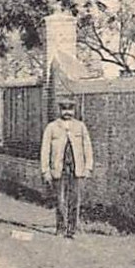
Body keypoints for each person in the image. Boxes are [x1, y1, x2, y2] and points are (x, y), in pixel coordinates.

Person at [39, 97, 93, 237]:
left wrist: (88, 167)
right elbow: (45, 149)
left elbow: (87, 147)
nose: (67, 112)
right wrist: (45, 170)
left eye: (70, 109)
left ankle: (72, 230)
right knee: (60, 200)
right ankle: (61, 227)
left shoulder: (80, 126)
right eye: (64, 109)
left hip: (76, 169)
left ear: (74, 110)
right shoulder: (52, 127)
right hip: (58, 169)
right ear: (60, 110)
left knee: (75, 200)